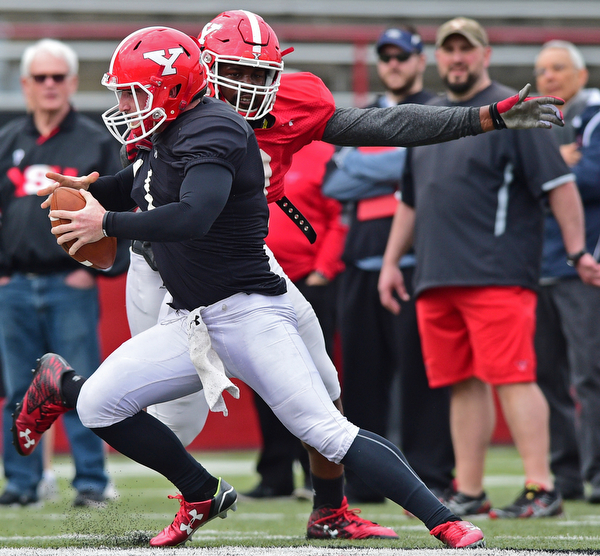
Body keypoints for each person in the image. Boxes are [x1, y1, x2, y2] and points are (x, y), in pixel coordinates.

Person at [13, 25, 488, 549]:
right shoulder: (172, 127)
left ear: (171, 88)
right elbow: (142, 181)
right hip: (191, 316)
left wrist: (108, 224)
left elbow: (194, 215)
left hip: (249, 312)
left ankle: (442, 519)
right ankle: (200, 493)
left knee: (325, 426)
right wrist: (94, 189)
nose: (125, 103)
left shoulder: (215, 128)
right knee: (100, 404)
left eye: (133, 92)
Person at [121, 9, 564, 535]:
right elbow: (142, 198)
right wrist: (102, 219)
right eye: (236, 73)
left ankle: (329, 509)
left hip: (249, 263)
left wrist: (483, 117)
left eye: (260, 74)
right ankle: (72, 392)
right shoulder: (170, 106)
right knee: (177, 420)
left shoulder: (289, 101)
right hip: (174, 271)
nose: (249, 87)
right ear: (202, 68)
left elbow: (380, 124)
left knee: (322, 379)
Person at [378, 16, 600, 519]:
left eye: (466, 49)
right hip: (435, 273)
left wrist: (578, 252)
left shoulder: (515, 111)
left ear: (485, 55)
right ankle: (471, 490)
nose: (457, 58)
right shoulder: (429, 114)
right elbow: (409, 201)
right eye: (448, 49)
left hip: (496, 272)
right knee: (461, 381)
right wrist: (392, 263)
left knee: (514, 377)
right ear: (437, 57)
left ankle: (541, 487)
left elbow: (559, 185)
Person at [322, 26, 454, 503]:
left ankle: (431, 476)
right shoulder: (364, 114)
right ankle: (366, 481)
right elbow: (334, 182)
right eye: (386, 56)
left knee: (423, 377)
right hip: (359, 264)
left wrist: (369, 164)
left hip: (419, 263)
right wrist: (401, 162)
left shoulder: (440, 112)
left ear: (422, 61)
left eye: (403, 56)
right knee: (360, 377)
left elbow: (431, 168)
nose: (394, 63)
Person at [0, 38, 124, 508]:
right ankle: (22, 482)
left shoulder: (94, 142)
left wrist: (96, 271)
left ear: (72, 83)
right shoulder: (8, 141)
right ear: (25, 84)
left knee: (82, 385)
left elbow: (122, 210)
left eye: (58, 77)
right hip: (13, 286)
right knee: (18, 390)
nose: (50, 86)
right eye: (40, 78)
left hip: (68, 283)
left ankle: (92, 480)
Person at [244, 140, 346, 501]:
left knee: (313, 377)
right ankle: (275, 474)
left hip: (307, 279)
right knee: (262, 376)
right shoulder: (245, 144)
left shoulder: (323, 154)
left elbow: (339, 217)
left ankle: (316, 474)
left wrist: (323, 270)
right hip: (257, 278)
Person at [533, 40, 600, 503]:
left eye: (559, 68)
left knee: (589, 375)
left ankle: (597, 472)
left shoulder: (594, 115)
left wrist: (549, 170)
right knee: (546, 379)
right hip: (538, 267)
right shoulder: (536, 122)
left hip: (582, 266)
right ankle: (568, 474)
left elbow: (594, 175)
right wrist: (562, 164)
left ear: (581, 74)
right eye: (542, 70)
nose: (549, 77)